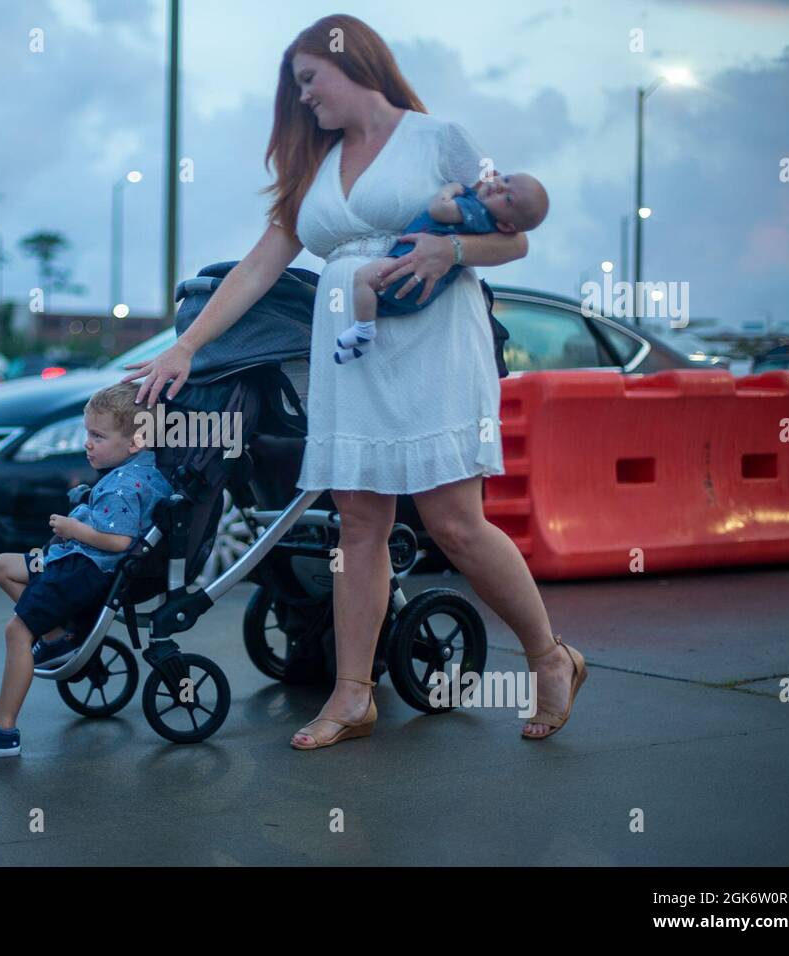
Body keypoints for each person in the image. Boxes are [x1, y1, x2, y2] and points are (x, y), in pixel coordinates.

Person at [122, 14, 586, 749]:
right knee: (359, 524)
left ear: (355, 61)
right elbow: (259, 265)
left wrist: (450, 249)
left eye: (309, 79)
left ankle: (549, 656)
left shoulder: (441, 139)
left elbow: (516, 234)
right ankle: (352, 696)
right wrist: (188, 346)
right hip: (350, 351)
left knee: (454, 523)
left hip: (435, 343)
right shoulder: (314, 165)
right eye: (296, 86)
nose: (303, 98)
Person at [0, 382, 172, 758]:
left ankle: (2, 729)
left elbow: (118, 542)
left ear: (136, 441)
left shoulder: (124, 486)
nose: (88, 443)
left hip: (85, 571)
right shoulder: (136, 472)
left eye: (98, 436)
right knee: (4, 566)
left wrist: (73, 528)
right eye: (88, 434)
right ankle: (56, 637)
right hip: (76, 562)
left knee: (17, 630)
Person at [336, 171, 549, 363]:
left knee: (363, 278)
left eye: (508, 198)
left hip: (409, 270)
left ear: (505, 226)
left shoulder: (476, 211)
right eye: (507, 179)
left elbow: (440, 209)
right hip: (413, 277)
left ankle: (363, 330)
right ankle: (361, 335)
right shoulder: (484, 213)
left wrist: (452, 188)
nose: (500, 186)